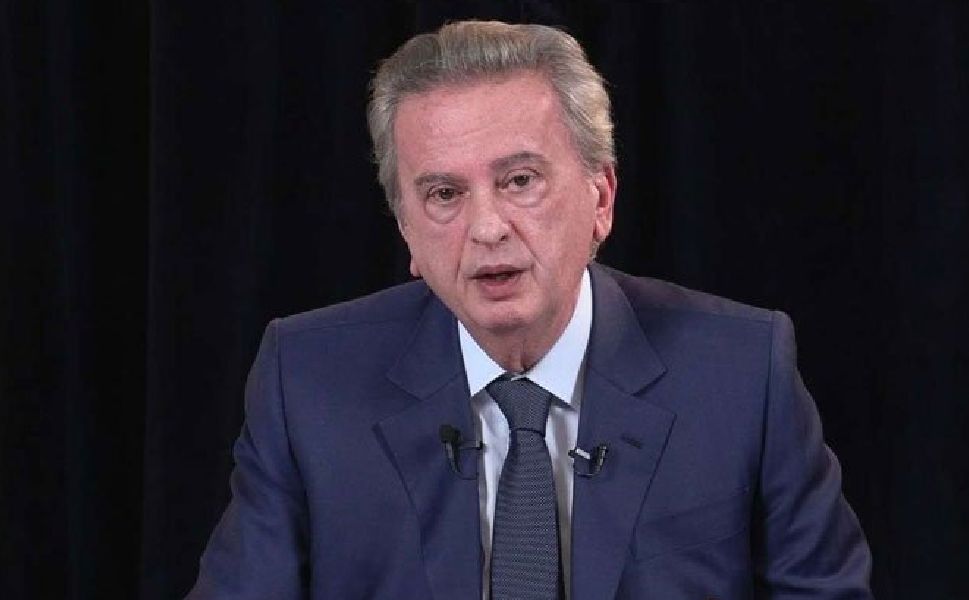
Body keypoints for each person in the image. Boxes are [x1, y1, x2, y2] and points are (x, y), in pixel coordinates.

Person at [187, 20, 873, 600]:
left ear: (601, 198)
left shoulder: (741, 373)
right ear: (406, 231)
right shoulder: (307, 381)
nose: (487, 228)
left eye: (520, 181)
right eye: (444, 194)